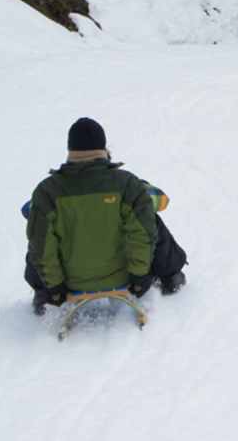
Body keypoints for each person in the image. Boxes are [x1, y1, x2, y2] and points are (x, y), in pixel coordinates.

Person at [24, 117, 188, 315]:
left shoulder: (46, 192)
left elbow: (31, 223)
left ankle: (43, 295)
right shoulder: (128, 184)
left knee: (38, 235)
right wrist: (138, 277)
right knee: (148, 219)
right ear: (103, 148)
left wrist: (55, 288)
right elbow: (161, 203)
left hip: (67, 282)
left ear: (71, 150)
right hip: (125, 276)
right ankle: (171, 277)